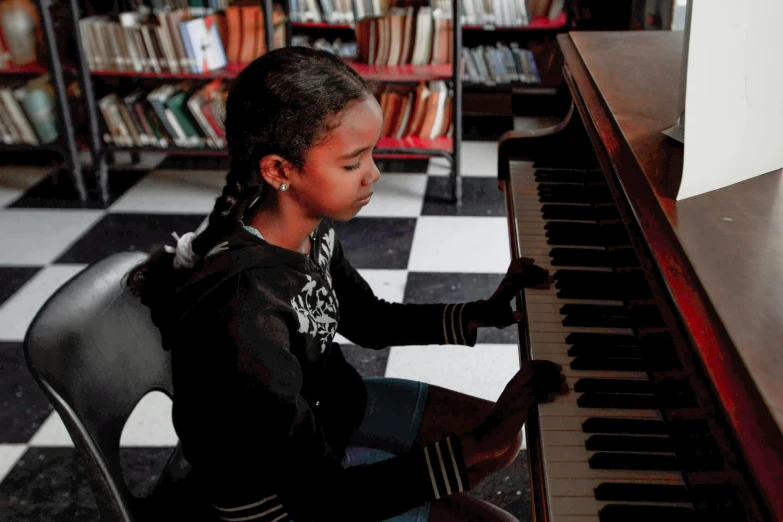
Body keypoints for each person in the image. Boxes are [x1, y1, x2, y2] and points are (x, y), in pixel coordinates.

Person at [127, 46, 567, 522]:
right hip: (277, 501)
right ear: (279, 170)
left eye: (371, 153)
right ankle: (412, 491)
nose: (374, 173)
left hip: (329, 414)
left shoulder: (304, 229)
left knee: (498, 445)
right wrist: (470, 448)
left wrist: (480, 312)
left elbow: (368, 319)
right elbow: (321, 500)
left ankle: (415, 491)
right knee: (494, 497)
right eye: (353, 162)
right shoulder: (244, 313)